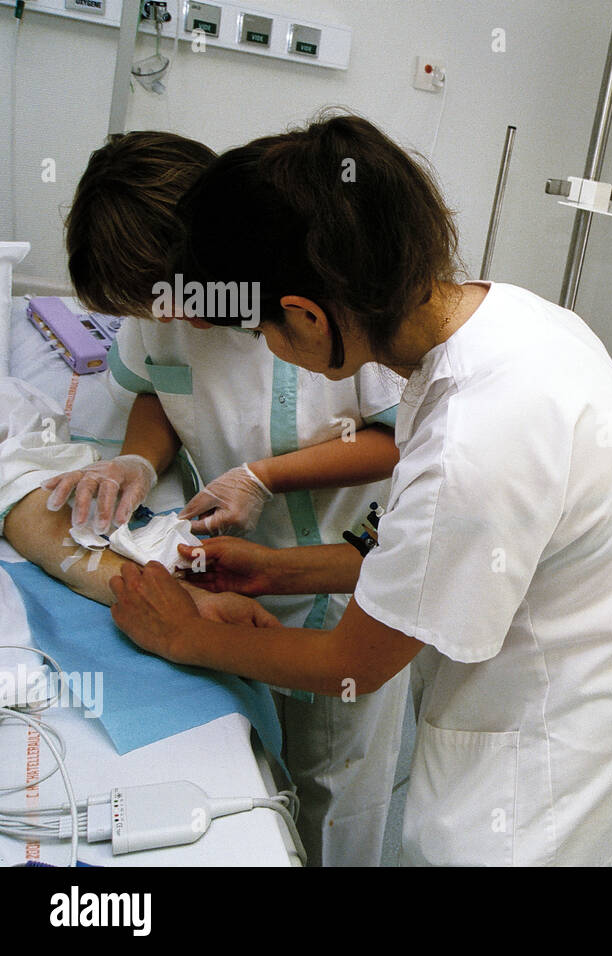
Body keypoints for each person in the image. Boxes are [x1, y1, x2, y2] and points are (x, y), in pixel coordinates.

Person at [109, 113, 612, 866]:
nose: (276, 354)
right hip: (584, 685)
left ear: (307, 316)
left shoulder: (478, 434)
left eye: (269, 336)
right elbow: (422, 547)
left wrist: (185, 636)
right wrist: (277, 569)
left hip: (546, 749)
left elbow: (357, 665)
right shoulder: (505, 320)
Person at [44, 131, 409, 867]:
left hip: (338, 583)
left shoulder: (314, 305)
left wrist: (266, 476)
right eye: (153, 308)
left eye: (178, 298)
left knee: (332, 795)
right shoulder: (162, 312)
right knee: (242, 771)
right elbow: (155, 385)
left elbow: (398, 434)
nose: (171, 321)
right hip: (226, 575)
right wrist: (139, 463)